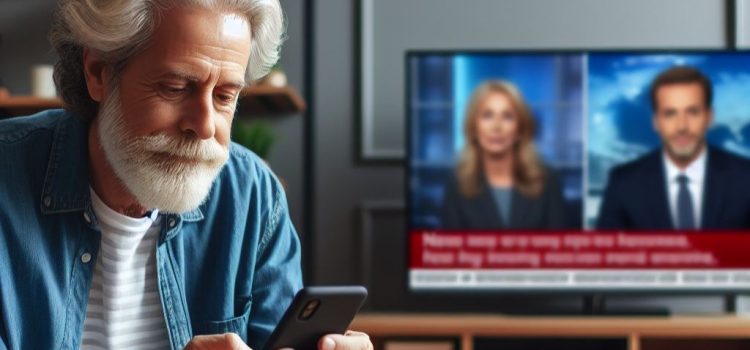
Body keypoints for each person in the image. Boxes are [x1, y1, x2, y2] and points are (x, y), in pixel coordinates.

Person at [0, 1, 372, 350]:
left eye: (225, 97)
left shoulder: (253, 197)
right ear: (98, 73)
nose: (205, 126)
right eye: (175, 88)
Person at [597, 66, 750, 230]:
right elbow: (609, 254)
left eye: (692, 112)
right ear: (656, 122)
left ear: (709, 117)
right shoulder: (624, 183)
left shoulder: (745, 179)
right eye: (670, 114)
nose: (682, 126)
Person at [440, 81, 566, 230]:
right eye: (487, 115)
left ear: (520, 129)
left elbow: (559, 248)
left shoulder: (548, 180)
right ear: (474, 127)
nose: (496, 126)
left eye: (507, 116)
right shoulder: (456, 183)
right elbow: (450, 250)